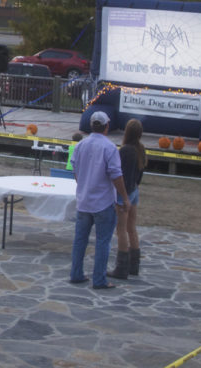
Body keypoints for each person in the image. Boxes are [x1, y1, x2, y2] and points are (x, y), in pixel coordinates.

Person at [69, 111, 131, 290]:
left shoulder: (81, 145)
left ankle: (76, 273)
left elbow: (74, 167)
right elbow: (116, 175)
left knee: (80, 239)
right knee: (103, 241)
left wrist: (82, 184)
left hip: (84, 200)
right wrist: (124, 197)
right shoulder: (109, 147)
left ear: (91, 125)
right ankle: (99, 279)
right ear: (107, 126)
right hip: (103, 202)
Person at [108, 119, 146, 280]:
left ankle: (121, 267)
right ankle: (134, 266)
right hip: (135, 190)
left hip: (126, 193)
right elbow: (139, 174)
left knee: (121, 229)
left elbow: (121, 175)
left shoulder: (125, 151)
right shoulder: (141, 149)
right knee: (132, 228)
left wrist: (124, 197)